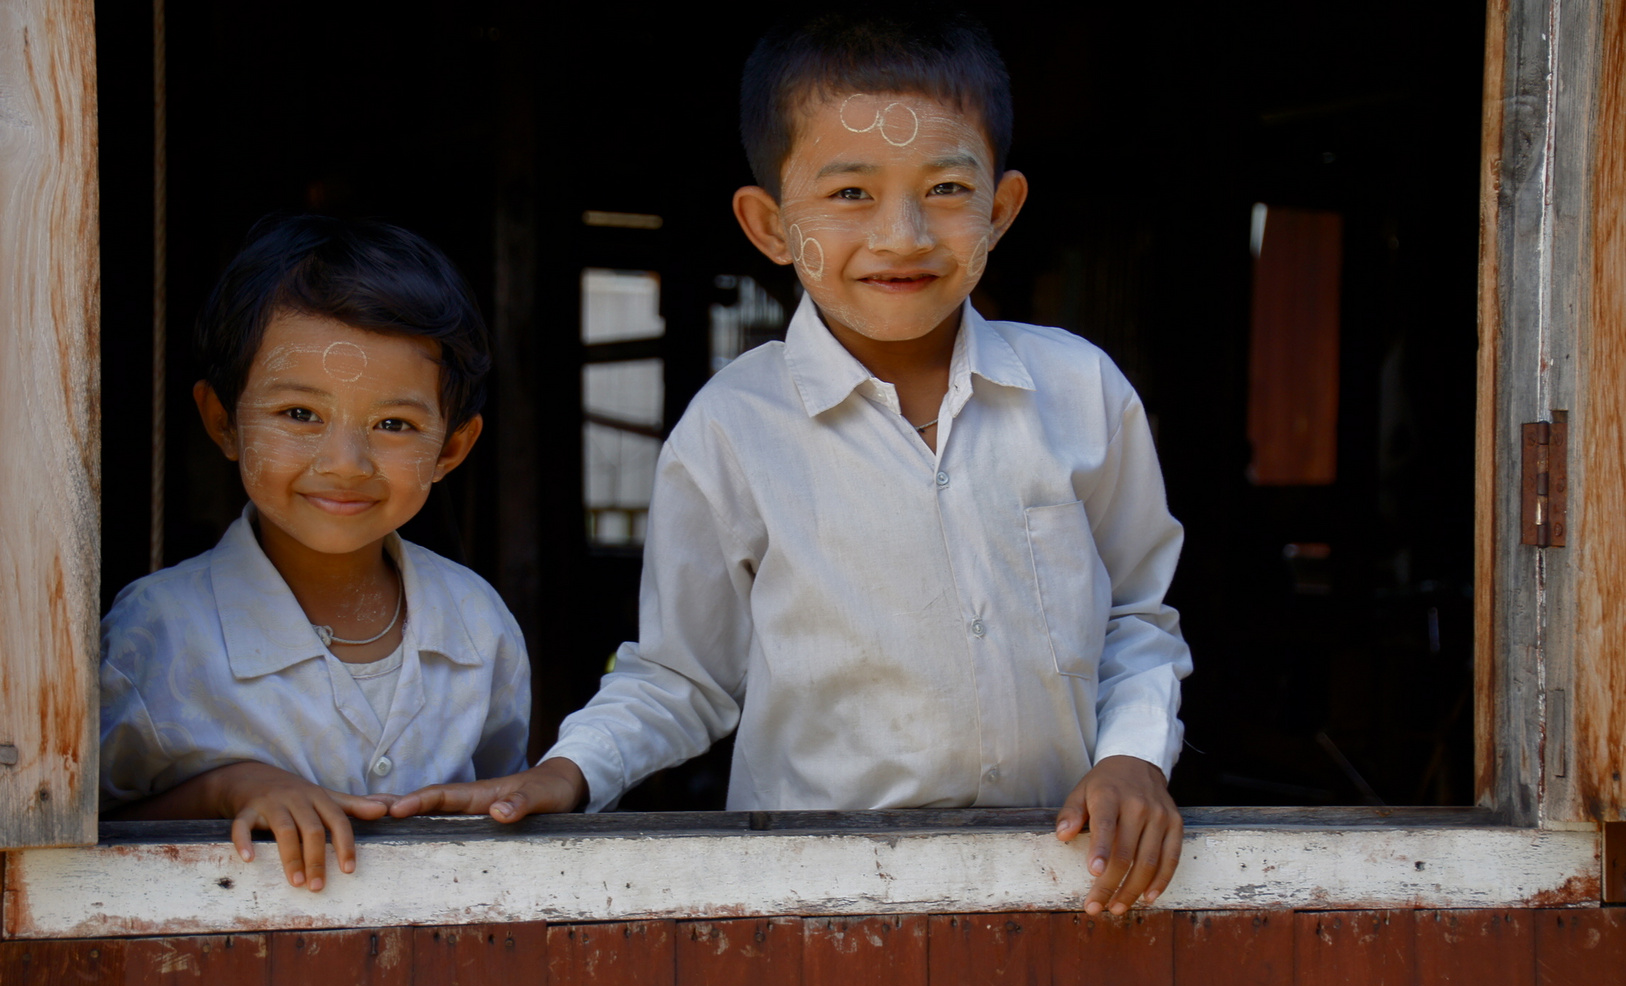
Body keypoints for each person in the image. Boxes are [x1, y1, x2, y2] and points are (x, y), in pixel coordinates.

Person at [392, 10, 1193, 917]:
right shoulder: (735, 429)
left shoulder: (1080, 392)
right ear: (769, 223)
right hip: (820, 905)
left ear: (1000, 209)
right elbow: (681, 675)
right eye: (850, 194)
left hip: (1067, 883)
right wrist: (569, 773)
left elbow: (1137, 615)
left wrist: (1132, 755)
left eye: (944, 188)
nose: (902, 234)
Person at [99, 215, 529, 892]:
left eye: (394, 425)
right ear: (223, 423)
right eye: (300, 415)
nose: (345, 463)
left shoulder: (478, 624)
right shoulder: (157, 632)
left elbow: (502, 806)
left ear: (450, 448)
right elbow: (74, 835)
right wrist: (229, 789)